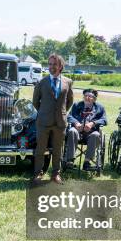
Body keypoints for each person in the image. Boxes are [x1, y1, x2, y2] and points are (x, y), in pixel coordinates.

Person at [32, 53, 74, 184]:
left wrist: (61, 113)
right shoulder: (41, 82)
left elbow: (70, 101)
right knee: (40, 149)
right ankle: (38, 174)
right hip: (43, 122)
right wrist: (45, 112)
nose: (51, 67)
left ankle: (56, 174)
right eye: (49, 64)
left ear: (60, 66)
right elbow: (35, 102)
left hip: (60, 123)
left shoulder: (68, 82)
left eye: (54, 64)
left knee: (57, 150)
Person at [65, 88, 107, 170]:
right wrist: (76, 123)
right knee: (72, 131)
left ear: (94, 99)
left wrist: (93, 123)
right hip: (78, 131)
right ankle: (70, 160)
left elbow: (104, 120)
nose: (87, 98)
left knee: (96, 135)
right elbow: (69, 116)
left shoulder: (100, 107)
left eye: (90, 96)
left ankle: (87, 162)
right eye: (86, 96)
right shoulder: (77, 105)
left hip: (91, 133)